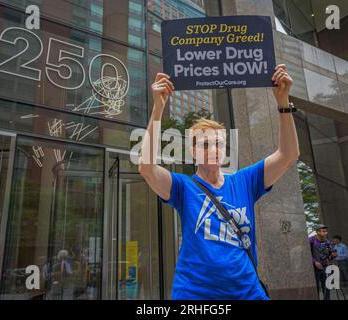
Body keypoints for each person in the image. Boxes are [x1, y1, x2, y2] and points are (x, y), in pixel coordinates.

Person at [138, 64, 299, 300]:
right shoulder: (183, 188)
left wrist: (283, 102)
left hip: (248, 292)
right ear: (192, 151)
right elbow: (146, 167)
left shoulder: (245, 181)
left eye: (218, 144)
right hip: (196, 295)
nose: (213, 149)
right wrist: (158, 109)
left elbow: (289, 155)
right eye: (204, 144)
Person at [308, 224, 336, 300]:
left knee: (326, 286)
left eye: (325, 231)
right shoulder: (311, 240)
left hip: (325, 266)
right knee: (316, 287)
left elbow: (331, 254)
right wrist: (314, 262)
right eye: (323, 231)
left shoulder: (327, 241)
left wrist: (332, 255)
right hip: (314, 267)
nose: (324, 233)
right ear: (317, 232)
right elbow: (307, 253)